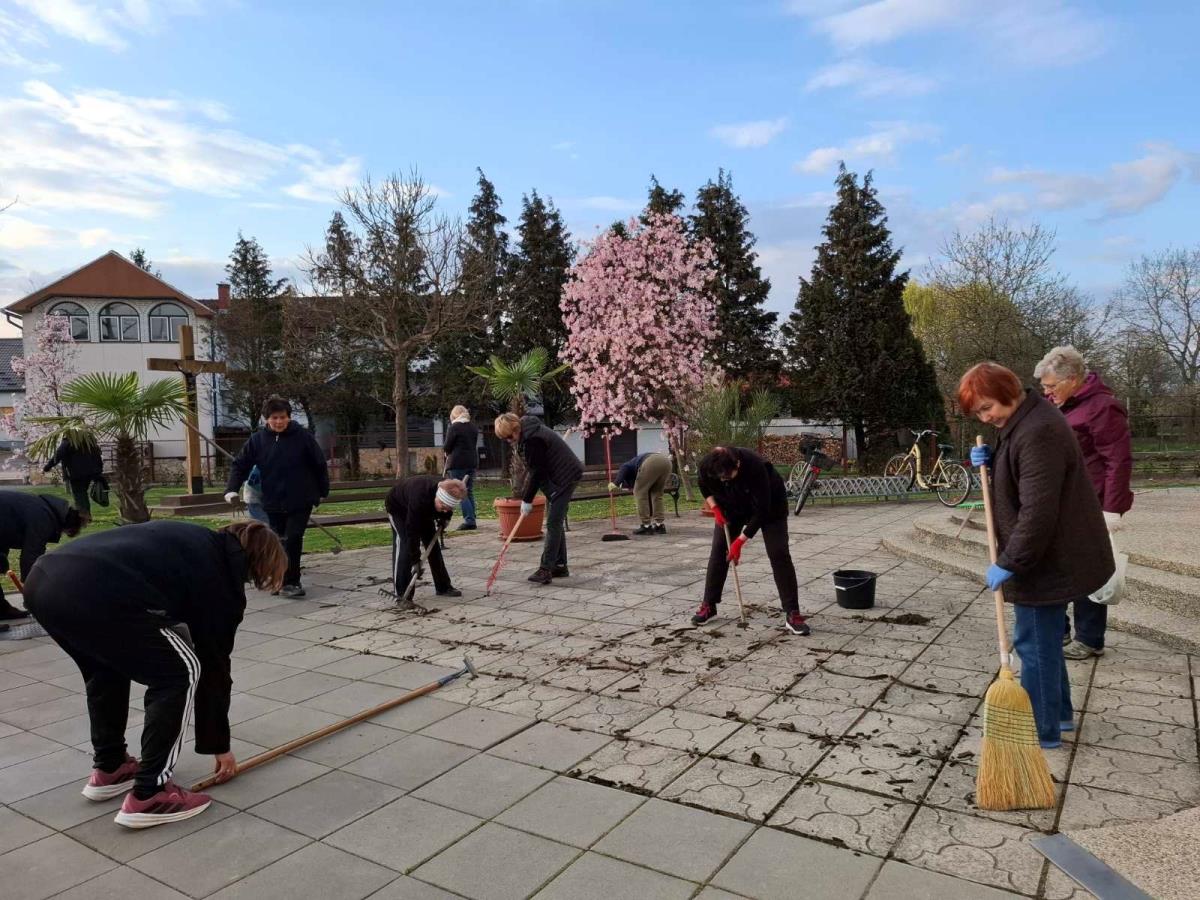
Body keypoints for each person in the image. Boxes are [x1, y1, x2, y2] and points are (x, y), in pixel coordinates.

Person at [23, 520, 286, 828]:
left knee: (105, 671)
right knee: (180, 671)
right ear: (258, 562)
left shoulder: (198, 540)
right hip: (94, 591)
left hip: (43, 582)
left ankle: (111, 767)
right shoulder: (219, 579)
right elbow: (215, 664)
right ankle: (151, 794)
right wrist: (219, 745)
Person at [961, 362, 1114, 749]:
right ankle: (1058, 715)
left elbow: (1038, 511)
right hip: (1050, 555)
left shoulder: (1038, 430)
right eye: (978, 412)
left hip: (1047, 559)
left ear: (1008, 391)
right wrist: (993, 463)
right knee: (1044, 641)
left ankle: (1041, 730)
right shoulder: (1025, 420)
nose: (985, 417)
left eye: (987, 407)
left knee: (1033, 644)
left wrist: (1009, 563)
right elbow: (1024, 476)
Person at [1035, 346, 1133, 660]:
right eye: (1044, 387)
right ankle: (1058, 629)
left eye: (1052, 386)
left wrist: (1113, 508)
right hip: (1059, 499)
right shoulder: (1056, 404)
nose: (1046, 392)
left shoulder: (1103, 407)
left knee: (1084, 568)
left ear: (1074, 379)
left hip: (1091, 502)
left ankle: (1090, 638)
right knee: (1054, 565)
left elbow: (1118, 460)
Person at [692, 446, 810, 635]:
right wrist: (715, 508)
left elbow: (762, 511)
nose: (723, 480)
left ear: (737, 465)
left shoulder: (755, 467)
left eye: (727, 477)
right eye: (720, 478)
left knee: (778, 553)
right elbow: (704, 486)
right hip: (731, 507)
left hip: (770, 508)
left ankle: (792, 613)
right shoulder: (708, 465)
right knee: (719, 551)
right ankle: (709, 605)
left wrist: (740, 541)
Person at [224, 396, 329, 598]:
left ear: (289, 417)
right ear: (266, 419)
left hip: (301, 499)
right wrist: (231, 489)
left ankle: (292, 582)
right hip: (272, 500)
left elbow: (319, 465)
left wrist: (322, 493)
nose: (279, 422)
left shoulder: (303, 437)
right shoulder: (257, 441)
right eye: (274, 418)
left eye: (282, 417)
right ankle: (279, 579)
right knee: (277, 541)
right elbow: (240, 465)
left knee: (293, 538)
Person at [494, 412, 583, 585]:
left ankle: (545, 569)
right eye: (504, 439)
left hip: (565, 477)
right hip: (557, 478)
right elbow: (536, 469)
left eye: (508, 437)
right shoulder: (528, 433)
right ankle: (559, 565)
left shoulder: (533, 439)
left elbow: (537, 472)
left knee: (553, 523)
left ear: (515, 429)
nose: (508, 441)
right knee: (555, 522)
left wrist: (527, 500)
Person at [0, 490, 87, 619]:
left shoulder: (44, 508)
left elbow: (6, 527)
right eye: (66, 532)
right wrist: (32, 589)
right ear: (67, 526)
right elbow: (31, 556)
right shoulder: (44, 519)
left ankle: (2, 610)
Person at [384, 477, 467, 603]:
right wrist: (415, 561)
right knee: (405, 545)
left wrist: (445, 519)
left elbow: (447, 509)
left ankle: (443, 586)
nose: (445, 510)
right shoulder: (420, 498)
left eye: (447, 508)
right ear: (438, 497)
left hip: (425, 508)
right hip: (398, 509)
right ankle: (401, 594)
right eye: (443, 506)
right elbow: (412, 532)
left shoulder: (446, 491)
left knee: (433, 546)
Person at [609, 451, 673, 535]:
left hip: (651, 462)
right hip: (666, 462)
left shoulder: (629, 465)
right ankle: (659, 525)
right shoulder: (637, 467)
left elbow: (624, 467)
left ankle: (646, 526)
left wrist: (615, 483)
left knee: (639, 492)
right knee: (657, 494)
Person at [42, 435, 104, 517]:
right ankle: (86, 514)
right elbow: (97, 455)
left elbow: (58, 454)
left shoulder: (68, 441)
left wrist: (47, 467)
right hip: (89, 473)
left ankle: (84, 516)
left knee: (79, 494)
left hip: (75, 473)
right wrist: (98, 470)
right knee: (83, 493)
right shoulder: (87, 441)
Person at [443, 405, 479, 531]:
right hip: (472, 462)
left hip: (457, 463)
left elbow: (447, 446)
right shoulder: (473, 427)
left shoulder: (454, 427)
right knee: (468, 491)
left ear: (454, 415)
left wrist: (447, 452)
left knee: (460, 492)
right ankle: (472, 517)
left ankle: (469, 521)